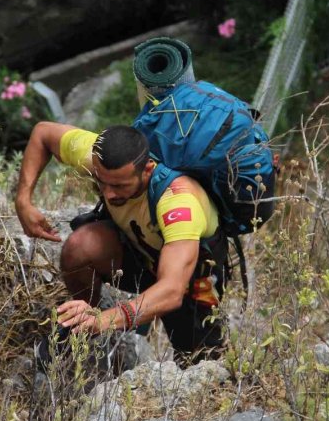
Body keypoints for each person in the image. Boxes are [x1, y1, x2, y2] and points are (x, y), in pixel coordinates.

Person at [15, 122, 229, 363]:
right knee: (80, 246)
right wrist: (23, 201)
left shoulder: (179, 202)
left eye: (119, 186)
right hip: (140, 253)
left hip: (189, 277)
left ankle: (97, 323)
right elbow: (43, 133)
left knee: (199, 362)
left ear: (147, 170)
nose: (108, 194)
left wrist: (103, 321)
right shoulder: (99, 158)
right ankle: (80, 323)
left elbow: (171, 290)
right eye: (101, 182)